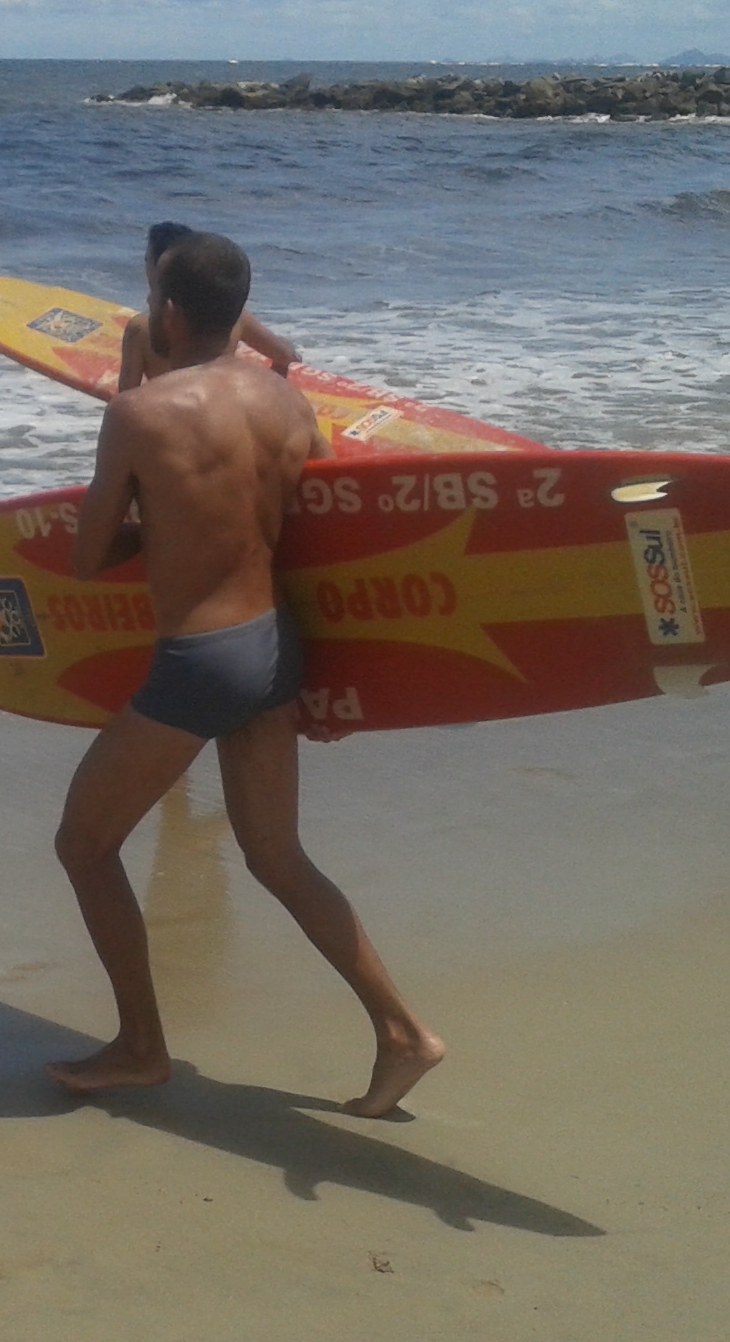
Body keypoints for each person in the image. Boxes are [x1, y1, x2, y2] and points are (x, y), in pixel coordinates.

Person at [48, 231, 443, 1117]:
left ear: (167, 313)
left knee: (84, 844)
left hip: (203, 661)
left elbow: (86, 555)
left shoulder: (139, 414)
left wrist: (164, 516)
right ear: (238, 313)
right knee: (276, 857)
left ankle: (141, 1048)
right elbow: (331, 524)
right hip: (275, 644)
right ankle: (403, 1034)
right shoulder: (287, 402)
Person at [118, 220, 300, 393]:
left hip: (166, 411)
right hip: (220, 407)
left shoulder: (139, 328)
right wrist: (270, 393)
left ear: (159, 268)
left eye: (147, 261)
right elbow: (286, 356)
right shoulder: (233, 318)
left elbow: (126, 396)